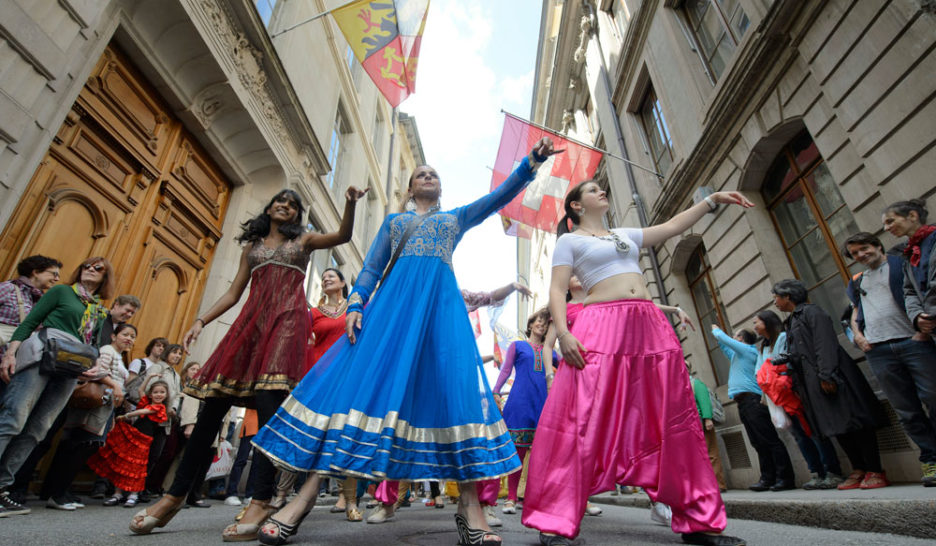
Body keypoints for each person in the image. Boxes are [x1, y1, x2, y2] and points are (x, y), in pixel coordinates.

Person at [250, 138, 557, 546]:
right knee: (359, 391)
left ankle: (470, 509)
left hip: (441, 315)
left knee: (455, 393)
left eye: (434, 174)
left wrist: (530, 163)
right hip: (392, 313)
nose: (428, 176)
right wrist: (357, 303)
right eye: (420, 175)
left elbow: (497, 196)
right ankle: (301, 501)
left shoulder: (455, 219)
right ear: (410, 189)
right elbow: (372, 267)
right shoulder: (394, 223)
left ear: (440, 189)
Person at [127, 186, 366, 540]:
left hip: (286, 323)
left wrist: (348, 204)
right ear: (269, 208)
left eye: (292, 204)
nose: (284, 205)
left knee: (270, 411)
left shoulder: (304, 241)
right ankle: (173, 497)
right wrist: (200, 321)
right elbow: (233, 291)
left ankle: (261, 500)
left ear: (297, 215)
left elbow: (343, 235)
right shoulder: (251, 249)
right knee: (211, 410)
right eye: (279, 201)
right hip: (250, 325)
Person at [522, 181, 751, 546]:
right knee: (582, 416)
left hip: (649, 326)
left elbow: (672, 227)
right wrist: (564, 334)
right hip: (601, 326)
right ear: (577, 206)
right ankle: (555, 520)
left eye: (602, 188)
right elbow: (556, 289)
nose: (602, 191)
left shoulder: (623, 234)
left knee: (674, 419)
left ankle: (698, 522)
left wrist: (710, 200)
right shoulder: (569, 240)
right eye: (593, 189)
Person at [0, 256, 114, 517]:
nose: (90, 270)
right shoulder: (63, 291)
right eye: (86, 265)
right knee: (14, 418)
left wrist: (94, 367)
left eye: (98, 268)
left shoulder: (98, 309)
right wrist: (11, 353)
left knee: (38, 428)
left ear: (106, 277)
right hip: (42, 355)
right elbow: (30, 321)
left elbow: (94, 344)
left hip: (71, 368)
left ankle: (2, 487)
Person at [771, 279, 889, 490]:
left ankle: (875, 469)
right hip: (812, 382)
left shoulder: (812, 312)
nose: (775, 302)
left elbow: (825, 343)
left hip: (833, 376)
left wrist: (827, 375)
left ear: (788, 296)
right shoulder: (791, 321)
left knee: (856, 422)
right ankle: (858, 468)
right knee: (836, 425)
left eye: (776, 297)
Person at [845, 231, 936, 487]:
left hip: (913, 342)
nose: (861, 255)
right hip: (879, 351)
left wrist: (921, 330)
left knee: (933, 396)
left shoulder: (900, 265)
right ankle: (931, 458)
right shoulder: (857, 280)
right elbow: (854, 311)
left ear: (876, 245)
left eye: (864, 248)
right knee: (906, 410)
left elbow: (922, 293)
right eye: (855, 254)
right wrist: (858, 337)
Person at [40, 323, 136, 509]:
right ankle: (57, 493)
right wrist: (116, 386)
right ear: (113, 336)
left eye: (132, 336)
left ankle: (60, 491)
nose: (129, 339)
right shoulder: (107, 350)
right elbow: (96, 370)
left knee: (78, 447)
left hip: (104, 406)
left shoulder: (119, 355)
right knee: (79, 446)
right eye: (125, 334)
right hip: (95, 405)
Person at [752, 310, 843, 490]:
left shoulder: (783, 338)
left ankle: (831, 471)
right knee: (798, 435)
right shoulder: (763, 346)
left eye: (757, 322)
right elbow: (760, 370)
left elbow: (785, 363)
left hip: (792, 391)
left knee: (811, 430)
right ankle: (815, 472)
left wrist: (771, 374)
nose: (754, 326)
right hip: (776, 395)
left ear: (767, 322)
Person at [711, 325, 793, 492]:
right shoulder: (737, 355)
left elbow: (724, 339)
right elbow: (724, 345)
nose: (733, 338)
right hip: (743, 403)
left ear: (742, 340)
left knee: (769, 440)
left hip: (753, 400)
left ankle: (785, 478)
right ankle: (767, 478)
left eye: (736, 336)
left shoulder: (748, 350)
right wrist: (718, 338)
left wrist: (716, 329)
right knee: (757, 442)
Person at [492, 308, 557, 514]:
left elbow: (566, 368)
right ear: (530, 324)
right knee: (517, 452)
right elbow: (506, 370)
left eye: (546, 323)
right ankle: (510, 498)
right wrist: (496, 390)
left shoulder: (552, 353)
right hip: (519, 404)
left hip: (543, 404)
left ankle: (533, 498)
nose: (542, 325)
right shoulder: (517, 346)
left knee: (541, 455)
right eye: (539, 320)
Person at [91, 380, 170, 507]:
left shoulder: (160, 408)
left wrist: (126, 415)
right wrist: (149, 377)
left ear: (166, 395)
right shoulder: (146, 402)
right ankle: (118, 493)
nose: (158, 395)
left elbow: (142, 412)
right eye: (155, 392)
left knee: (138, 467)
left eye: (162, 392)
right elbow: (140, 391)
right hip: (133, 436)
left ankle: (134, 494)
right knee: (123, 464)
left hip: (143, 441)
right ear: (150, 395)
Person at [883, 199, 936, 337]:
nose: (886, 228)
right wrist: (917, 316)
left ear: (912, 216)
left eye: (890, 221)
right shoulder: (908, 253)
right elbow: (909, 290)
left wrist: (930, 313)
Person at [138, 343, 183, 497]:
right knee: (142, 454)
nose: (177, 356)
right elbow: (149, 389)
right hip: (150, 417)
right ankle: (133, 488)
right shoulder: (158, 367)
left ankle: (143, 487)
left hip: (165, 420)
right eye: (174, 353)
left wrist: (174, 409)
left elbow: (177, 395)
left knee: (155, 455)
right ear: (167, 353)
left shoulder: (176, 375)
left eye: (179, 354)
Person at [0, 255, 62, 358]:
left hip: (15, 362)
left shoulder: (43, 300)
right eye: (54, 274)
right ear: (36, 272)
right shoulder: (8, 288)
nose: (57, 279)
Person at [688, 367, 727, 492]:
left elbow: (704, 401)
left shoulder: (696, 383)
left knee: (711, 453)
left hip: (702, 422)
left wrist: (707, 418)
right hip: (691, 426)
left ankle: (719, 485)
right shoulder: (679, 386)